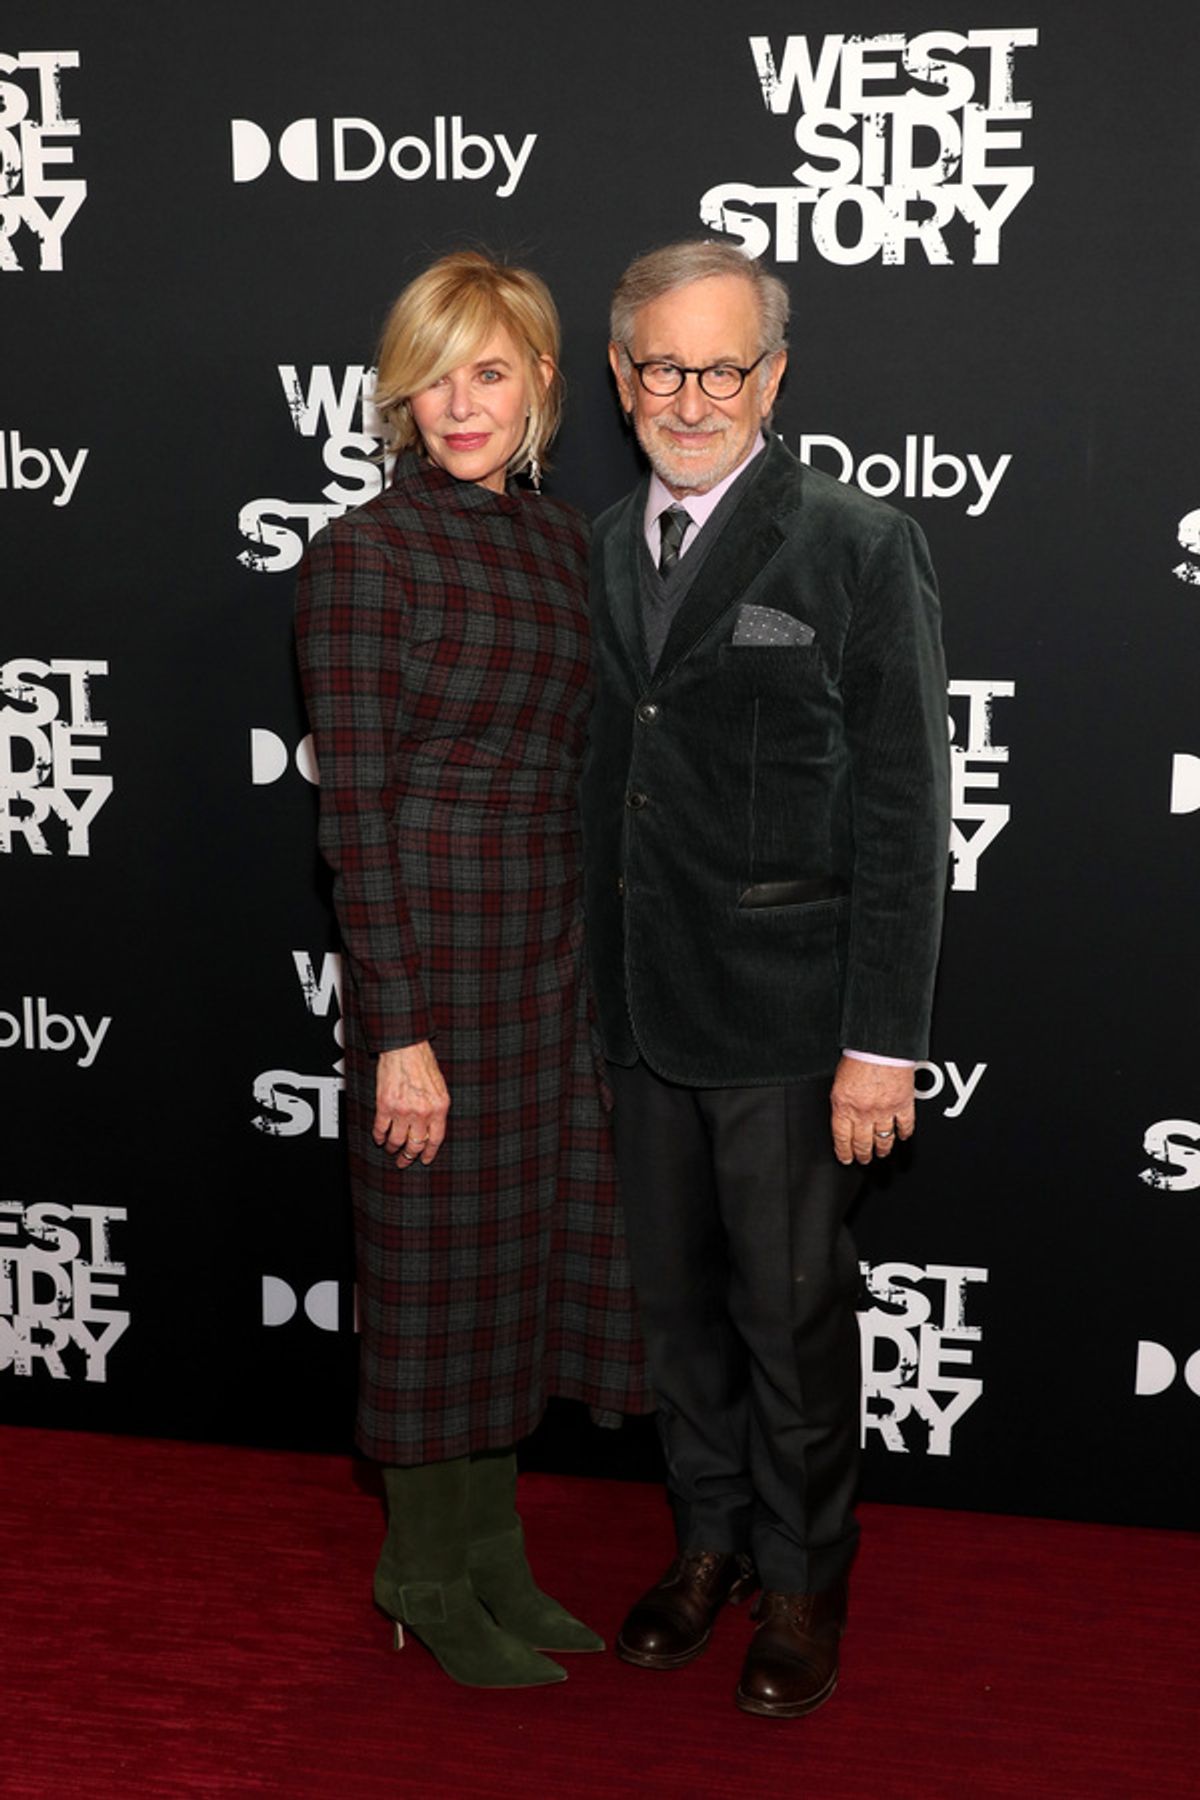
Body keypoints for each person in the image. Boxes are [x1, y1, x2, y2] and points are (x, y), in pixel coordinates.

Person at [581, 240, 950, 1718]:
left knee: (792, 1321)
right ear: (618, 380)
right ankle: (711, 1544)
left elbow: (907, 812)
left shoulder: (854, 540)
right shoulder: (600, 541)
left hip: (796, 1023)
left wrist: (885, 1042)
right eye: (661, 367)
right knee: (676, 1317)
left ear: (773, 377)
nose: (690, 396)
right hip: (636, 1009)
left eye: (721, 366)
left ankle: (805, 1580)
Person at [294, 250, 647, 1690]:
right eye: (433, 375)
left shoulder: (575, 550)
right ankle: (420, 1570)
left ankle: (494, 1553)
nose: (459, 403)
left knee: (518, 1271)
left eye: (489, 372)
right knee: (434, 1271)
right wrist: (397, 1028)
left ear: (544, 384)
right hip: (429, 956)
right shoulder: (365, 559)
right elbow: (354, 812)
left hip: (547, 957)